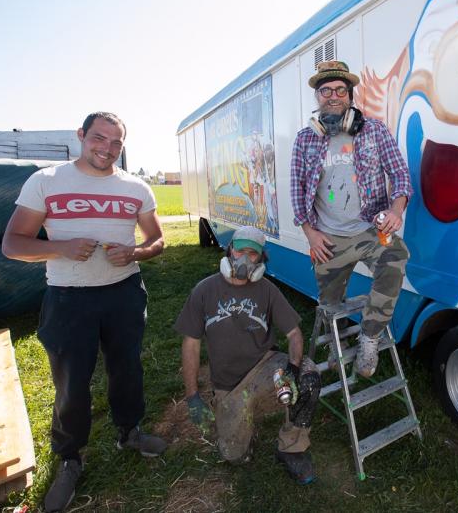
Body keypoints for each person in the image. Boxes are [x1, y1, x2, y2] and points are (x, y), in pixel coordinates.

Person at [1, 112, 166, 512]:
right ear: (81, 135)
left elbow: (157, 239)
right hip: (68, 296)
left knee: (127, 368)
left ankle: (129, 431)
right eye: (99, 138)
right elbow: (12, 243)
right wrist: (60, 247)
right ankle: (70, 459)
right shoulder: (47, 181)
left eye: (116, 143)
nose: (106, 148)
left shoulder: (135, 187)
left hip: (124, 292)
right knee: (72, 382)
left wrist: (137, 252)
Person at [290, 60, 412, 378]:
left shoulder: (374, 131)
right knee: (330, 302)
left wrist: (396, 211)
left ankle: (369, 336)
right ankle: (334, 342)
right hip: (327, 238)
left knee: (396, 257)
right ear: (317, 97)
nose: (333, 96)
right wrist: (310, 235)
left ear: (350, 96)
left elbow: (400, 173)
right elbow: (296, 190)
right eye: (325, 90)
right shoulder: (305, 140)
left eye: (340, 90)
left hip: (369, 228)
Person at [175, 226, 320, 484]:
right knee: (234, 456)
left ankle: (292, 447)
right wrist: (192, 395)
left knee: (309, 376)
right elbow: (191, 344)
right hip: (228, 384)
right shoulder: (204, 291)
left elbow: (294, 334)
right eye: (239, 250)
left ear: (261, 259)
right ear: (230, 250)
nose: (243, 258)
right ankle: (241, 422)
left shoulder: (267, 290)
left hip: (265, 366)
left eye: (252, 254)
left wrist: (293, 369)